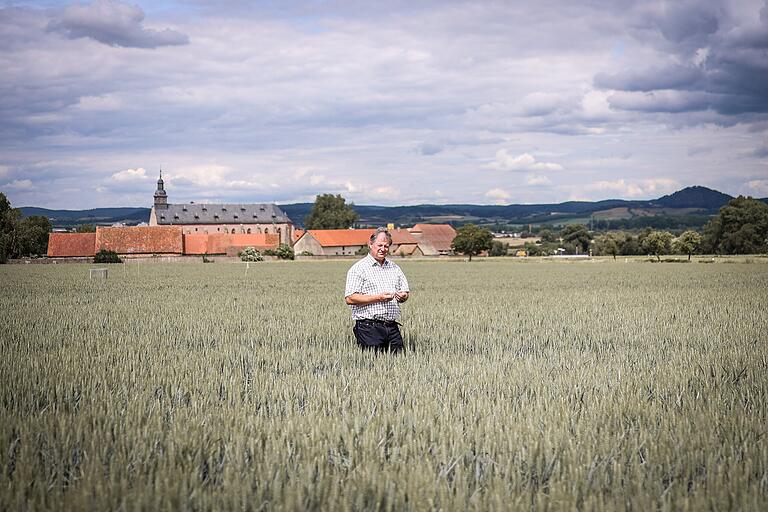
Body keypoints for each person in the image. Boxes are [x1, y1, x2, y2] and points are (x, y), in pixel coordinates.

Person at [344, 227, 410, 353]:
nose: (383, 249)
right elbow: (350, 298)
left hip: (392, 327)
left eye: (386, 246)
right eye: (380, 245)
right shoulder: (358, 269)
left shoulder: (394, 268)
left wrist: (403, 296)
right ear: (371, 244)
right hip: (368, 328)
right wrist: (379, 298)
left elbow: (405, 292)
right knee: (373, 366)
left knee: (400, 365)